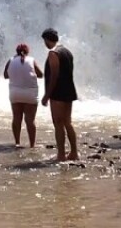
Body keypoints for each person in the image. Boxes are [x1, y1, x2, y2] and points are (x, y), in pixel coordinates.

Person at [40, 28, 79, 161]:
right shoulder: (67, 52)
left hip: (58, 93)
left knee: (58, 123)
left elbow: (54, 75)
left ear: (46, 39)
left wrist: (47, 95)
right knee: (68, 122)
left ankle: (61, 154)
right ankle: (74, 153)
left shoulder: (53, 53)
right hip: (69, 90)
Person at [4, 43, 43, 148]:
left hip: (15, 94)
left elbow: (5, 75)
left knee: (16, 118)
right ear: (27, 51)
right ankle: (32, 145)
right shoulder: (31, 60)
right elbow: (40, 74)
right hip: (30, 94)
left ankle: (17, 142)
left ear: (16, 51)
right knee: (30, 120)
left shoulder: (10, 60)